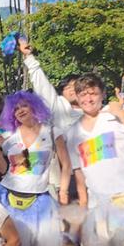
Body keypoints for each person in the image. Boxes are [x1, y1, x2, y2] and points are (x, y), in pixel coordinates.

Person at [0, 90, 72, 246]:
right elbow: (2, 169)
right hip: (8, 194)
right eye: (15, 109)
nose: (20, 111)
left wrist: (63, 190)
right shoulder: (9, 137)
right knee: (11, 243)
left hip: (39, 196)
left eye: (23, 106)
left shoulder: (53, 131)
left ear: (34, 106)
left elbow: (66, 164)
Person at [63, 73, 124, 246]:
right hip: (101, 202)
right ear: (77, 98)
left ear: (102, 94)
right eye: (83, 95)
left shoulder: (116, 115)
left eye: (93, 93)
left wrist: (122, 113)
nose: (88, 99)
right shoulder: (73, 133)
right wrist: (84, 207)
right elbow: (80, 176)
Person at [19, 38, 82, 200]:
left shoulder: (94, 113)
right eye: (68, 87)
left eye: (77, 87)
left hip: (92, 173)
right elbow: (42, 85)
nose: (73, 90)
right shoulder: (57, 107)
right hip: (63, 176)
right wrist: (29, 57)